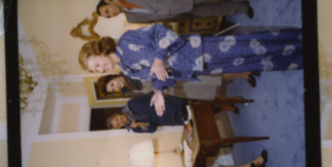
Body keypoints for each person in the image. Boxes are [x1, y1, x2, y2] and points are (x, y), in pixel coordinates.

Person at [81, 24, 305, 102]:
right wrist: (158, 92)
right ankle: (296, 59)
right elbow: (157, 76)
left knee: (249, 47)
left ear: (99, 51)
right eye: (96, 70)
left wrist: (158, 59)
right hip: (194, 68)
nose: (101, 69)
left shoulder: (127, 40)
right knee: (247, 63)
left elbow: (163, 32)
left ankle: (297, 39)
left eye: (97, 64)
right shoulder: (127, 69)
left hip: (197, 50)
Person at [94, 0, 254, 24]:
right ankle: (242, 8)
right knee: (213, 11)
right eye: (108, 16)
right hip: (179, 14)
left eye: (107, 11)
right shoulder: (131, 19)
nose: (111, 14)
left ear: (108, 1)